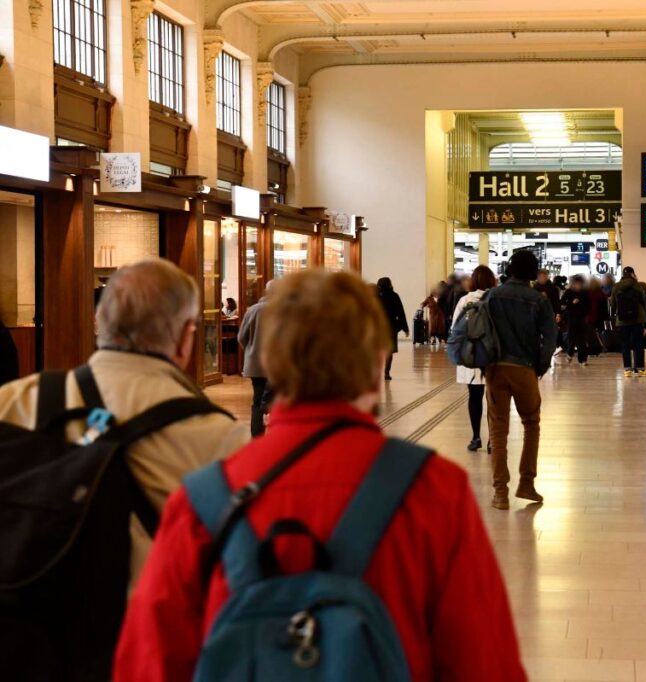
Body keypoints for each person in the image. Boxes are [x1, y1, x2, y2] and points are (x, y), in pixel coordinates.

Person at [114, 269, 526, 681]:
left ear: (272, 362)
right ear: (376, 360)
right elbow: (486, 662)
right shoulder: (434, 492)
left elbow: (149, 663)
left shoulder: (203, 501)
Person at [0, 259, 247, 680]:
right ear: (186, 336)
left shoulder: (18, 401)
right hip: (140, 652)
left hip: (26, 636)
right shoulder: (218, 436)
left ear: (101, 322)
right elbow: (232, 571)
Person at [486, 250, 557, 510]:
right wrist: (540, 366)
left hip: (496, 369)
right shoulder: (538, 300)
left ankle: (500, 493)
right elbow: (550, 338)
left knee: (498, 431)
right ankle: (526, 483)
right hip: (524, 369)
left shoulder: (492, 295)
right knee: (531, 424)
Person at [452, 265, 497, 451]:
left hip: (471, 355)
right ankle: (492, 440)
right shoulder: (496, 300)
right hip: (493, 356)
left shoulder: (465, 300)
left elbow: (455, 328)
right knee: (493, 399)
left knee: (474, 397)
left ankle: (476, 437)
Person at [239, 280, 276, 436]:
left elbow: (241, 337)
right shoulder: (283, 311)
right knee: (272, 399)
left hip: (254, 364)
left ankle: (256, 433)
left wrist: (249, 351)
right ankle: (274, 432)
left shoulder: (252, 310)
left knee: (257, 398)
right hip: (276, 363)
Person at [611, 266, 646, 377]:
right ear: (633, 274)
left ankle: (627, 369)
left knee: (625, 344)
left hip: (622, 320)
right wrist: (645, 321)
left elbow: (613, 304)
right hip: (637, 320)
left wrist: (614, 318)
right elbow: (644, 303)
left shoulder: (616, 286)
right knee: (638, 344)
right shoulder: (638, 285)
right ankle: (640, 368)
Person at [377, 277, 409, 381]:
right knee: (389, 351)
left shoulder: (375, 297)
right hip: (391, 328)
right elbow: (401, 312)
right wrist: (404, 328)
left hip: (378, 328)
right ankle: (386, 372)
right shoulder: (394, 296)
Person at [560, 275, 591, 366]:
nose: (578, 285)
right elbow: (562, 302)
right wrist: (571, 303)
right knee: (572, 337)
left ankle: (582, 359)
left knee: (581, 339)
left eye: (579, 284)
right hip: (571, 317)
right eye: (576, 283)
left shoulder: (585, 293)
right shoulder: (569, 292)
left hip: (581, 318)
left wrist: (585, 313)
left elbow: (588, 305)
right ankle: (570, 352)